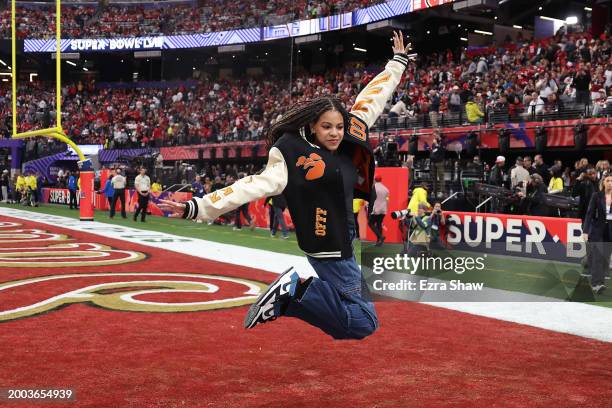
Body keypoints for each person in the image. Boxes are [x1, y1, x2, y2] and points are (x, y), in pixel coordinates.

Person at [160, 31, 411, 340]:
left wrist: (397, 63)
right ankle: (297, 290)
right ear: (312, 126)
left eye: (339, 126)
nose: (335, 133)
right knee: (363, 322)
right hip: (330, 249)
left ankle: (290, 297)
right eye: (327, 127)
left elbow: (373, 97)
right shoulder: (290, 154)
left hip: (339, 240)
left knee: (352, 314)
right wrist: (196, 206)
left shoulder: (351, 133)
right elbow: (249, 186)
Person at [582, 174, 612, 294]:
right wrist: (585, 231)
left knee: (605, 258)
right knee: (598, 257)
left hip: (610, 231)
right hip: (597, 230)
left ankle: (601, 282)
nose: (610, 183)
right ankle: (596, 284)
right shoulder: (596, 195)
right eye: (608, 180)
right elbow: (589, 213)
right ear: (603, 183)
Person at [368, 175, 388, 246]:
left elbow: (372, 200)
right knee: (379, 224)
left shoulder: (375, 188)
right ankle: (379, 242)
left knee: (370, 223)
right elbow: (386, 200)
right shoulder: (385, 188)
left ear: (375, 180)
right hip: (383, 209)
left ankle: (381, 237)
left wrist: (370, 210)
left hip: (376, 209)